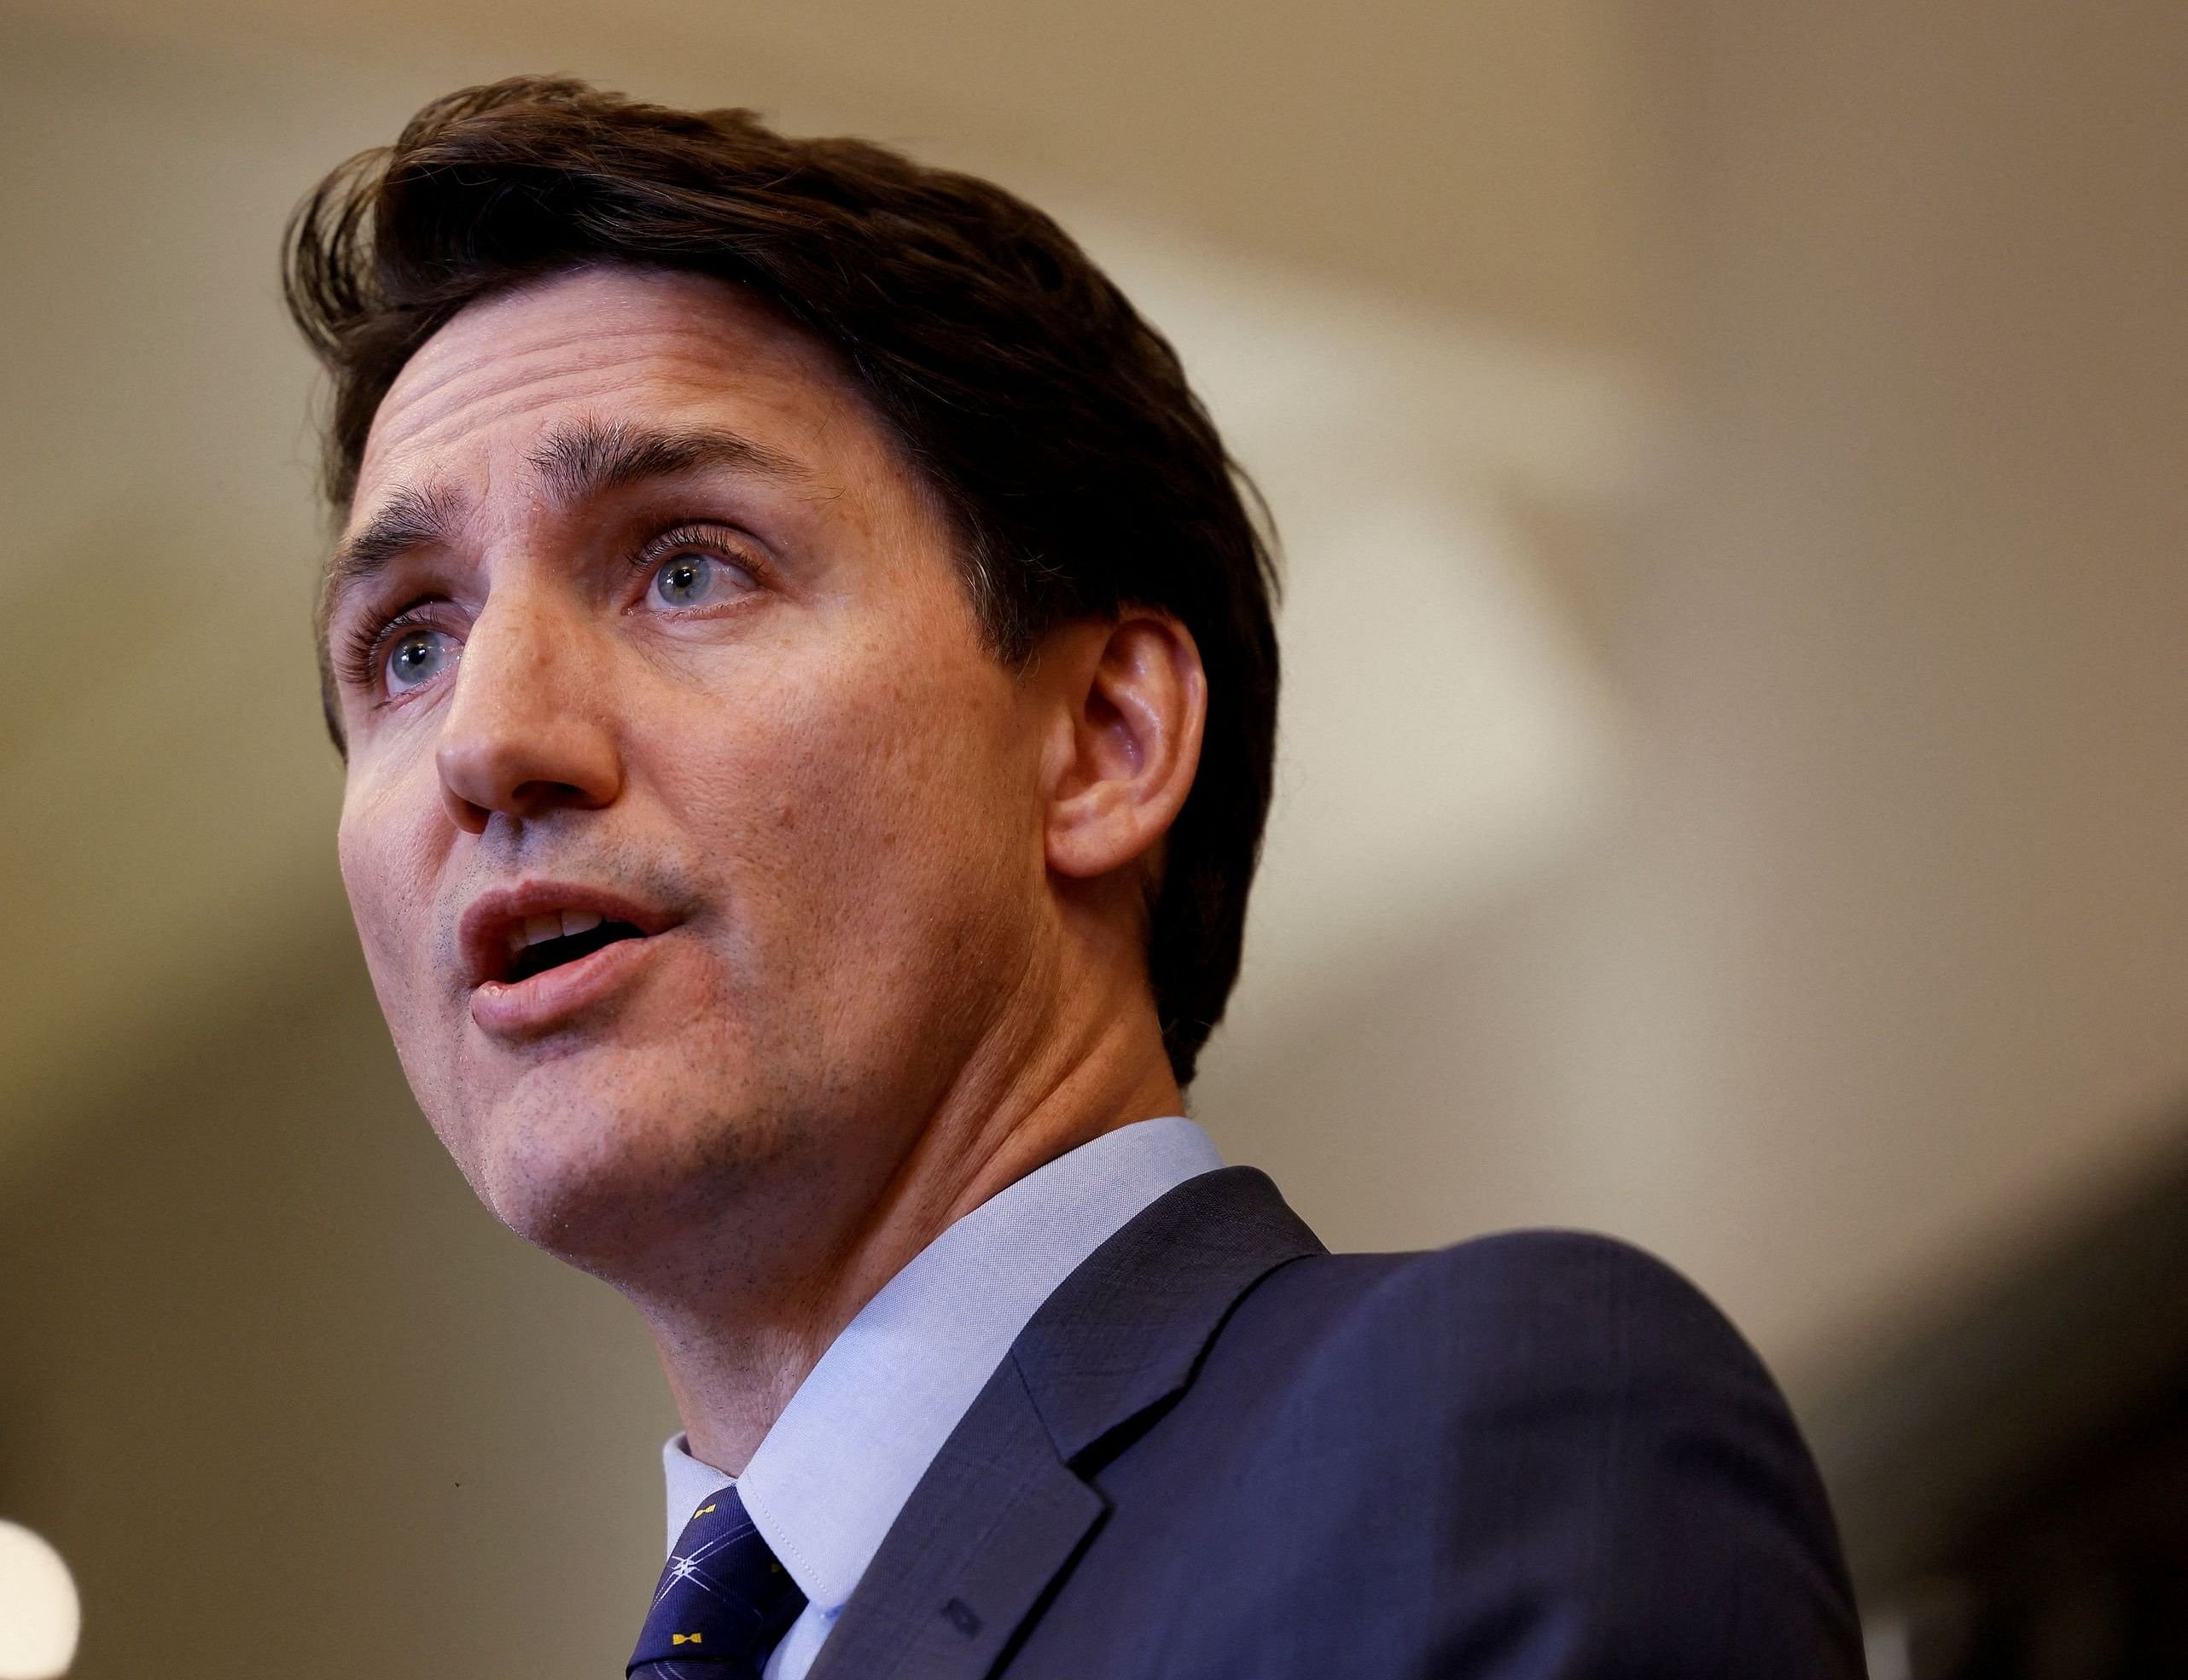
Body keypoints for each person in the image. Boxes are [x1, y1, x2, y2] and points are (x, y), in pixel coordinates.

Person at [285, 77, 1861, 1680]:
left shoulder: (1480, 1439)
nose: (488, 733)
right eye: (408, 645)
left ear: (1103, 737)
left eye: (688, 564)